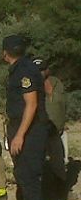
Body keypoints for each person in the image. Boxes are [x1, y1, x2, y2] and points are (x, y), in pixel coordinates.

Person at [2, 35, 50, 200]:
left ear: (5, 53)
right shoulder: (21, 68)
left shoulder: (24, 71)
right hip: (22, 126)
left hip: (30, 130)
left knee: (29, 176)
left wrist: (20, 135)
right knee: (22, 174)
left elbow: (31, 104)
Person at [33, 57, 68, 185]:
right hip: (37, 131)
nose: (40, 73)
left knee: (60, 161)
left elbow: (60, 105)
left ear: (47, 70)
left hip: (56, 130)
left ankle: (60, 187)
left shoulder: (56, 83)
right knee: (36, 162)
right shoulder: (28, 84)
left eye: (42, 70)